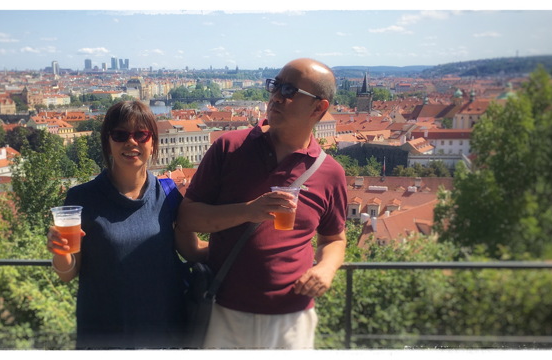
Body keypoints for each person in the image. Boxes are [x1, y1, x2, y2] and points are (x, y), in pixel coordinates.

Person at [176, 58, 348, 349]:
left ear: (319, 108)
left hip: (292, 318)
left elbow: (334, 239)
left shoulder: (330, 172)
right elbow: (188, 218)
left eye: (290, 90)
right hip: (224, 309)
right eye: (275, 85)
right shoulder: (230, 147)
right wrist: (248, 211)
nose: (277, 96)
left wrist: (327, 269)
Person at [47, 100, 208, 349]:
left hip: (163, 332)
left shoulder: (168, 193)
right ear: (108, 143)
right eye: (120, 134)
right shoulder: (82, 198)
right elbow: (67, 273)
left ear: (152, 142)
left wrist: (244, 240)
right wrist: (60, 252)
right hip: (105, 334)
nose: (131, 142)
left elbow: (192, 249)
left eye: (140, 134)